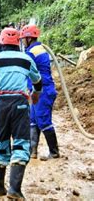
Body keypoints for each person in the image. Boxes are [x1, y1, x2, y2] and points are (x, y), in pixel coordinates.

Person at [0, 27, 42, 199]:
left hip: (1, 105)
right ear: (18, 42)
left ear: (1, 42)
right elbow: (38, 82)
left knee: (2, 144)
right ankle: (14, 190)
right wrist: (35, 94)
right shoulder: (26, 59)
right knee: (21, 144)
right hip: (19, 103)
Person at [20, 24, 60, 161]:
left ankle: (54, 152)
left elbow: (23, 68)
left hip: (43, 91)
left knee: (43, 121)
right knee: (33, 120)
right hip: (38, 91)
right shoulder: (37, 48)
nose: (22, 42)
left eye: (23, 39)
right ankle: (33, 152)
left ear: (29, 38)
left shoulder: (32, 52)